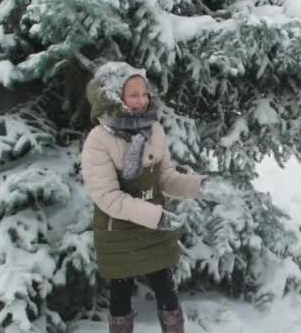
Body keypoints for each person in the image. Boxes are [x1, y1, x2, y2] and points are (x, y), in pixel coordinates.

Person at [81, 61, 230, 333]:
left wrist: (200, 187)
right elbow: (108, 197)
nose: (141, 100)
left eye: (144, 93)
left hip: (154, 228)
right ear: (115, 97)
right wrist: (156, 216)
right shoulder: (98, 140)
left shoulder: (155, 130)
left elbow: (166, 179)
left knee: (167, 290)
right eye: (133, 94)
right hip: (119, 231)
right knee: (120, 297)